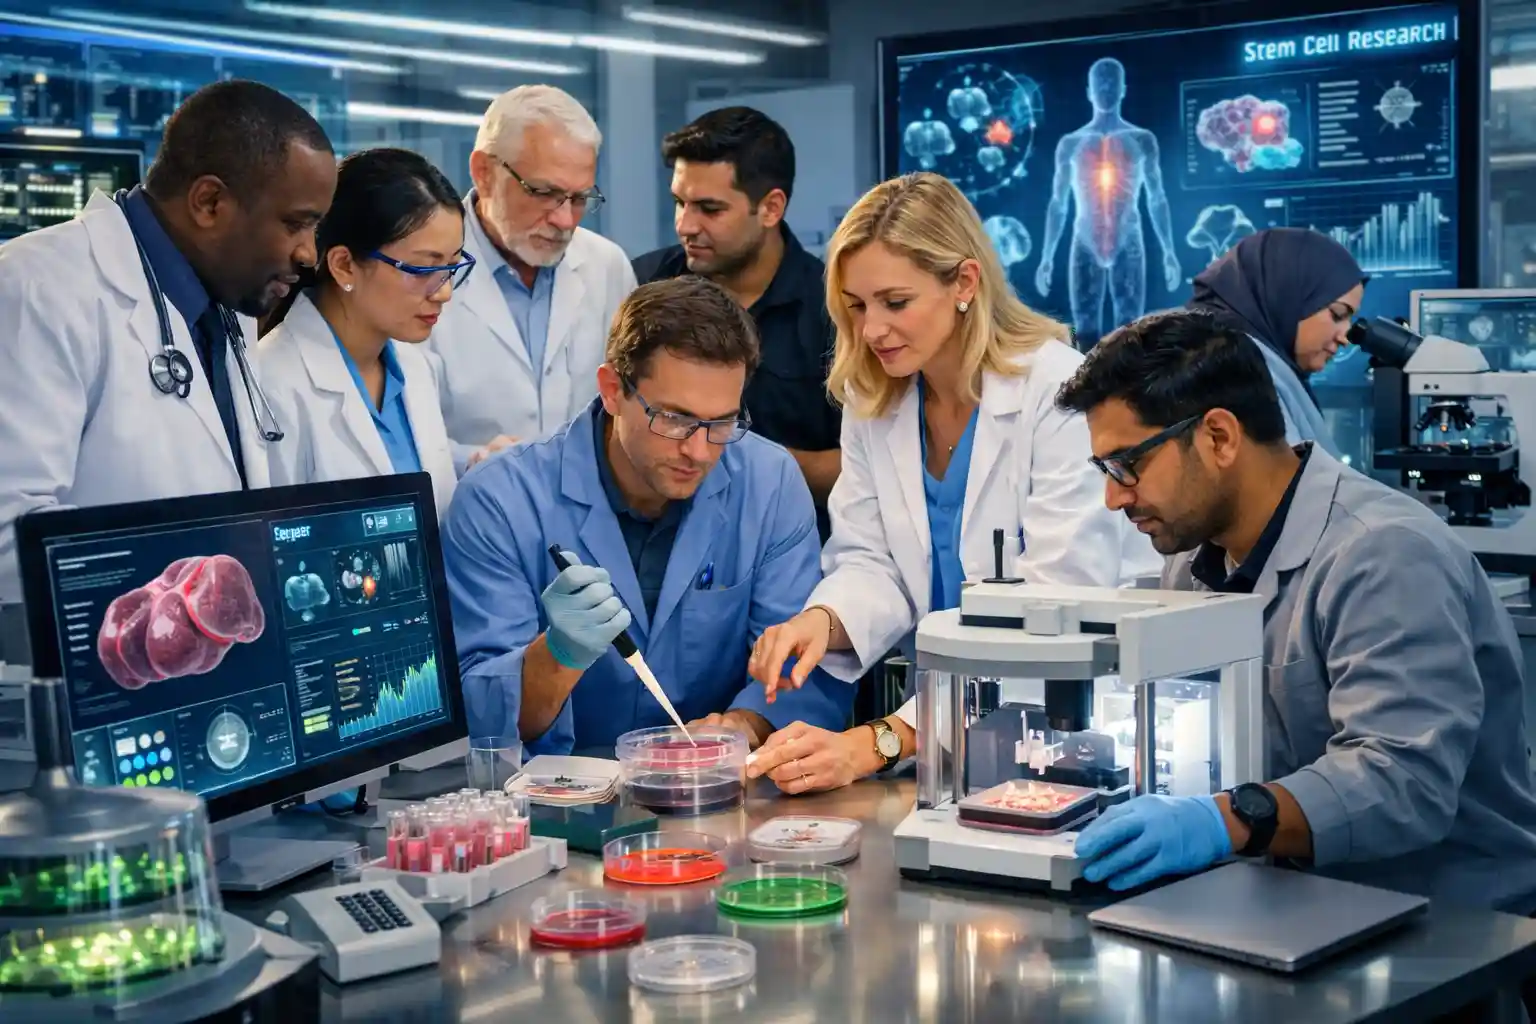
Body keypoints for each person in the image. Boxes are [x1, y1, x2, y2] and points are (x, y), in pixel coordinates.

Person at [1053, 309, 1536, 913]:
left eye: (1128, 465)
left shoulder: (1381, 553)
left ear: (1220, 437)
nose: (1113, 496)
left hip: (1445, 926)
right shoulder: (1195, 559)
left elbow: (1403, 782)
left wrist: (1222, 821)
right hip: (1288, 899)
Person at [743, 172, 1160, 795]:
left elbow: (1056, 604)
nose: (871, 330)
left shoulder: (1058, 391)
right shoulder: (874, 399)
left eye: (895, 302)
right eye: (856, 306)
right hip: (943, 727)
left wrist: (882, 740)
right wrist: (824, 620)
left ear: (964, 282)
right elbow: (869, 559)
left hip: (1077, 721)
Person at [440, 276, 853, 756]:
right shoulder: (500, 501)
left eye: (721, 422)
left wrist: (742, 727)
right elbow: (483, 720)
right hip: (558, 803)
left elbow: (800, 667)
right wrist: (556, 656)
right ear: (612, 389)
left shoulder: (768, 482)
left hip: (718, 790)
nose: (698, 452)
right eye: (674, 419)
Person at [0, 79, 336, 604]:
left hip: (208, 663)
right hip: (94, 671)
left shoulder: (229, 302)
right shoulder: (38, 286)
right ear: (209, 202)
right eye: (296, 224)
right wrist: (181, 592)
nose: (308, 254)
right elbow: (9, 533)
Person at [633, 107, 841, 538]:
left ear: (770, 207)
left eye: (709, 209)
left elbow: (865, 468)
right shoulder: (641, 286)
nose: (685, 225)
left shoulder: (836, 310)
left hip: (791, 548)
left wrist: (734, 455)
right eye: (679, 202)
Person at [427, 85, 636, 472]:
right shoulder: (418, 270)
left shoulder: (607, 266)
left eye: (579, 199)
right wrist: (474, 461)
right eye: (545, 192)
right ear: (484, 172)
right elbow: (395, 432)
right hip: (464, 510)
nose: (565, 220)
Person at [256, 148, 471, 517]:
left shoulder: (415, 369)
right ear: (343, 265)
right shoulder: (272, 385)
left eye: (452, 266)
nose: (444, 291)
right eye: (422, 269)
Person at [1188, 227, 1366, 458]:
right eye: (1337, 314)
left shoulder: (1254, 363)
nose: (1345, 337)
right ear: (1287, 295)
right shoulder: (1234, 372)